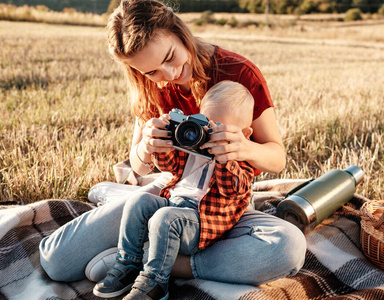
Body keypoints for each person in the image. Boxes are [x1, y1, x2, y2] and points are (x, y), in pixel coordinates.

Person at [39, 0, 306, 289]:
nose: (167, 75)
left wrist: (245, 148)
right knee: (56, 261)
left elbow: (277, 157)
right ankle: (140, 234)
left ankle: (146, 261)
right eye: (152, 71)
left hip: (226, 205)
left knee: (287, 246)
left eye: (170, 57)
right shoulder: (149, 86)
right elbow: (138, 165)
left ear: (180, 33)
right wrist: (147, 147)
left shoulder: (238, 73)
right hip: (170, 192)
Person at [93, 81, 256, 299]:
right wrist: (165, 138)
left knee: (165, 218)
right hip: (173, 205)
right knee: (139, 201)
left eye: (221, 131)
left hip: (202, 224)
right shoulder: (195, 142)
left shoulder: (240, 161)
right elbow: (168, 166)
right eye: (209, 126)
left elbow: (232, 189)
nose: (211, 137)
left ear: (244, 134)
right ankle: (128, 263)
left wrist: (224, 157)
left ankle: (155, 282)